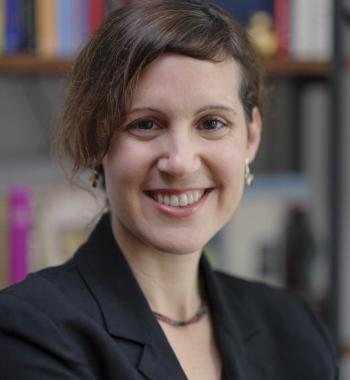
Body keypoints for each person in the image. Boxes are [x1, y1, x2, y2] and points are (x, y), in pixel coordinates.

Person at [0, 1, 338, 379]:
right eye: (145, 124)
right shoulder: (30, 331)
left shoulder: (296, 329)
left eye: (211, 123)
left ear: (251, 135)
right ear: (96, 139)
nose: (180, 162)